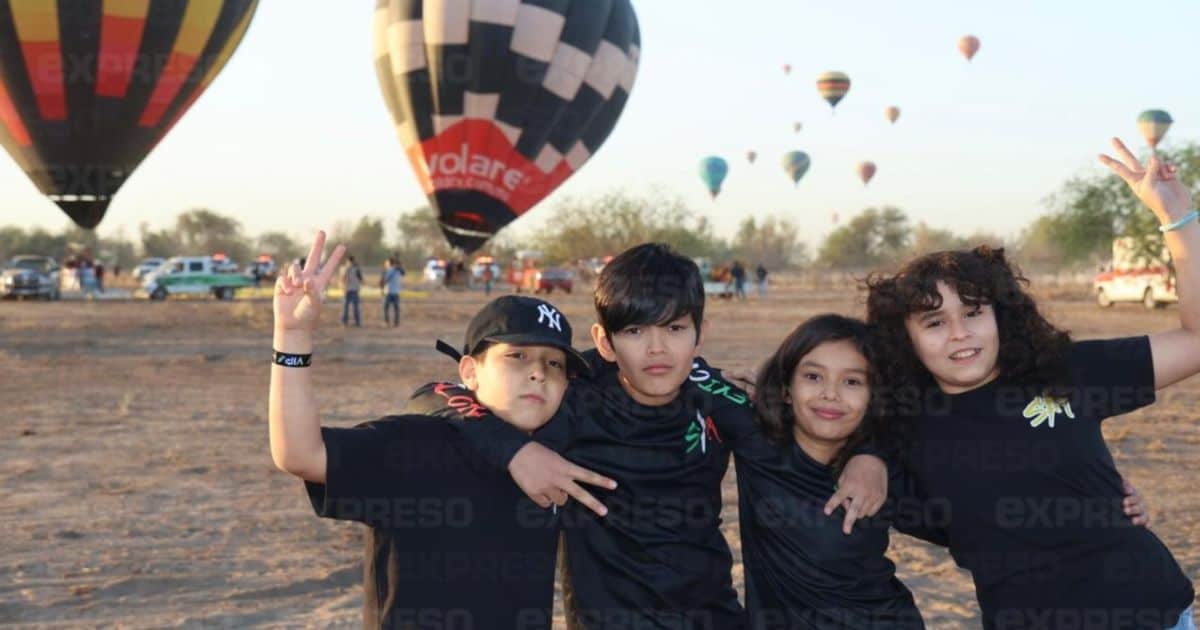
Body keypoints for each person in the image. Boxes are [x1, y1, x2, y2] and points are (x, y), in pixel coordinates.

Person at [411, 243, 890, 628]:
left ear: (699, 334)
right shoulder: (572, 389)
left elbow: (820, 424)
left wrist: (869, 455)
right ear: (605, 342)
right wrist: (516, 451)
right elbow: (434, 394)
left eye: (675, 328)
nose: (658, 349)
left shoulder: (717, 395)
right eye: (636, 331)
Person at [865, 138, 1199, 630]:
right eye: (934, 322)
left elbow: (1195, 340)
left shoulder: (1065, 371)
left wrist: (1177, 217)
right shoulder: (898, 427)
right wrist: (864, 460)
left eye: (974, 312)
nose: (959, 333)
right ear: (905, 338)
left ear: (1001, 315)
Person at [268, 232, 613, 629]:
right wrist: (292, 338)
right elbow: (300, 454)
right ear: (470, 371)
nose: (538, 372)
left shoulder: (558, 454)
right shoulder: (416, 444)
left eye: (554, 364)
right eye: (517, 356)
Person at [738, 314, 1151, 629]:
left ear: (875, 398)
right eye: (813, 376)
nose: (830, 394)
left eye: (853, 382)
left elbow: (986, 518)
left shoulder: (891, 475)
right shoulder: (753, 436)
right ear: (786, 386)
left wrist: (1100, 502)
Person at [380, 257, 404, 327]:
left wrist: (382, 289)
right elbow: (403, 273)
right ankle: (396, 323)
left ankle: (387, 322)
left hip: (389, 292)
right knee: (396, 309)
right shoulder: (398, 270)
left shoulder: (389, 271)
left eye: (386, 262)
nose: (385, 264)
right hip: (396, 292)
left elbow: (384, 280)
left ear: (389, 263)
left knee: (386, 308)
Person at [340, 255, 362, 327]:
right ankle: (352, 322)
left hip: (351, 290)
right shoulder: (347, 268)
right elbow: (360, 279)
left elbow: (342, 279)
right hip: (350, 290)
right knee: (348, 307)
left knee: (349, 307)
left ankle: (347, 322)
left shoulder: (354, 269)